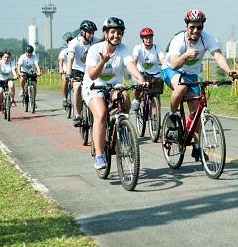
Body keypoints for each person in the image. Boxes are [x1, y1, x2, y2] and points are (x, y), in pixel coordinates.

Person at [162, 10, 238, 161]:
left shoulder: (207, 38)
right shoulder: (178, 40)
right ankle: (172, 116)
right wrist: (185, 55)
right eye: (192, 27)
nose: (196, 31)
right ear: (186, 26)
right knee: (182, 87)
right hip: (171, 70)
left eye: (199, 27)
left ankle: (197, 146)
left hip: (191, 75)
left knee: (197, 111)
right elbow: (174, 65)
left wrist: (229, 71)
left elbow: (217, 55)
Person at [82, 17, 148, 169]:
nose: (116, 35)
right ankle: (99, 155)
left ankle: (123, 130)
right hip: (93, 86)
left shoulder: (123, 49)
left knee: (124, 98)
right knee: (101, 114)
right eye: (112, 32)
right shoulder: (95, 50)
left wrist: (140, 78)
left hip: (113, 86)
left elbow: (130, 66)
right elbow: (92, 75)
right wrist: (103, 61)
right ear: (105, 33)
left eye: (119, 33)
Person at [66, 20, 100, 127]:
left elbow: (105, 43)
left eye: (93, 32)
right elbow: (70, 59)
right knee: (77, 87)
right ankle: (77, 115)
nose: (92, 35)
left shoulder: (96, 41)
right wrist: (68, 73)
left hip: (90, 70)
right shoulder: (74, 43)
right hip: (78, 70)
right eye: (89, 32)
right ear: (83, 32)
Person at [131, 27, 165, 111]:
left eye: (150, 37)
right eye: (146, 38)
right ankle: (136, 99)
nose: (148, 40)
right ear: (142, 38)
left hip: (155, 74)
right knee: (138, 85)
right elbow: (135, 59)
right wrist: (134, 70)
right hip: (142, 73)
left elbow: (163, 60)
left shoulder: (157, 48)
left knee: (156, 94)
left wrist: (166, 68)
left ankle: (155, 120)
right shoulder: (138, 48)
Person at [58, 33, 75, 107]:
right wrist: (61, 69)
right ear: (67, 44)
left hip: (75, 71)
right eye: (69, 43)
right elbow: (60, 60)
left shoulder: (76, 50)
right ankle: (64, 98)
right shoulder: (64, 51)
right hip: (65, 71)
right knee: (65, 80)